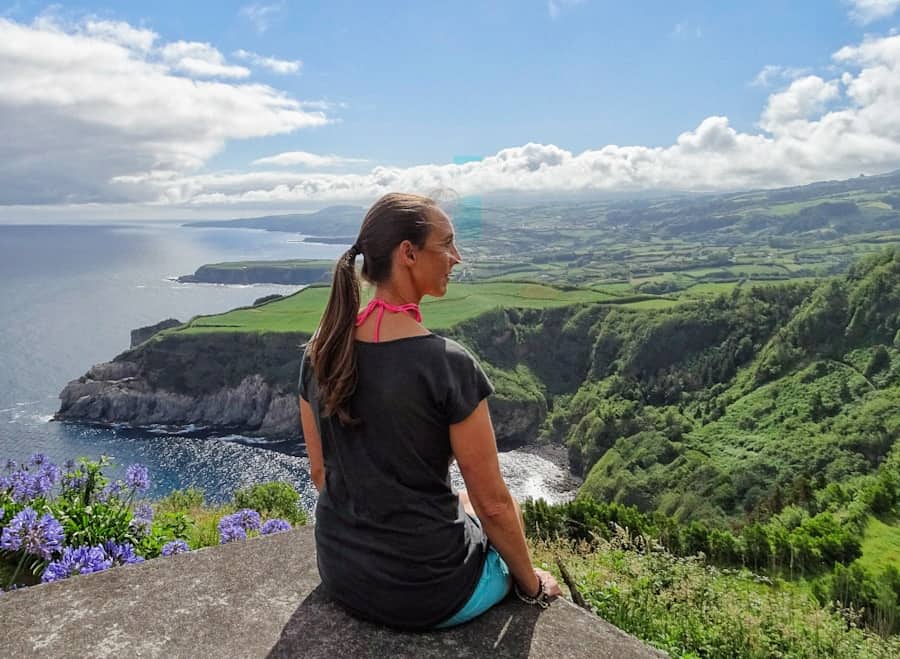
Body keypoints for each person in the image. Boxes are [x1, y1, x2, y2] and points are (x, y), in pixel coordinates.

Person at [298, 192, 561, 631]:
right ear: (408, 253)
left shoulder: (318, 353)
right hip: (429, 594)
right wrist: (531, 585)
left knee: (460, 502)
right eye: (447, 244)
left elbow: (322, 476)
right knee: (505, 513)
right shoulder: (447, 365)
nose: (456, 258)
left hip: (343, 574)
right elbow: (493, 504)